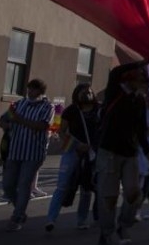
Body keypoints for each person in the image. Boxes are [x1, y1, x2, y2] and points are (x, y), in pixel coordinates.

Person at [96, 61, 149, 245]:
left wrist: (148, 153)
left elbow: (140, 131)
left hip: (130, 153)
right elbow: (116, 71)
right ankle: (107, 232)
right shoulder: (116, 92)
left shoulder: (138, 101)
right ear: (131, 80)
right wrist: (143, 61)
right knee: (109, 197)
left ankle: (124, 224)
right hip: (109, 151)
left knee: (134, 193)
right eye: (143, 82)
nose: (146, 88)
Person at [1, 78, 55, 232]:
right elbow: (4, 119)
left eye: (33, 89)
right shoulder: (20, 103)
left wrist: (20, 120)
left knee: (24, 184)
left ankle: (17, 216)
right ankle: (20, 208)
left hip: (33, 152)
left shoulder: (47, 107)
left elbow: (42, 125)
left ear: (40, 91)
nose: (29, 92)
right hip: (15, 150)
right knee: (8, 185)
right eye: (28, 89)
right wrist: (6, 125)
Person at [45, 83, 99, 232]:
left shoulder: (98, 110)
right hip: (72, 151)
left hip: (92, 153)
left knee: (86, 188)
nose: (87, 94)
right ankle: (51, 219)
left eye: (89, 91)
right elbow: (62, 131)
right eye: (84, 91)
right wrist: (76, 145)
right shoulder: (71, 111)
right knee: (62, 185)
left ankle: (81, 220)